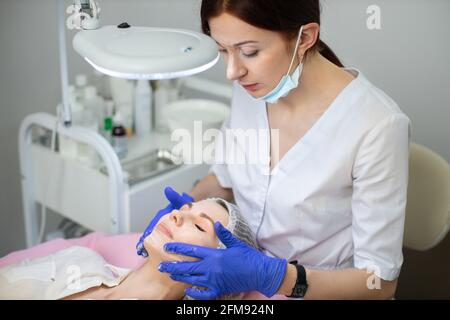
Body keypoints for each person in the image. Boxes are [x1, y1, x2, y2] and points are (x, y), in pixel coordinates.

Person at [137, 0, 411, 300]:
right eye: (223, 50)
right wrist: (185, 211)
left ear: (305, 38)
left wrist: (275, 276)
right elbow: (224, 180)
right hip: (243, 291)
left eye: (249, 51)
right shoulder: (253, 86)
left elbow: (380, 284)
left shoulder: (378, 125)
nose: (232, 71)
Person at [0, 198, 257, 300]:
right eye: (185, 209)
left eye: (200, 227)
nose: (176, 214)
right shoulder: (81, 259)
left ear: (215, 273)